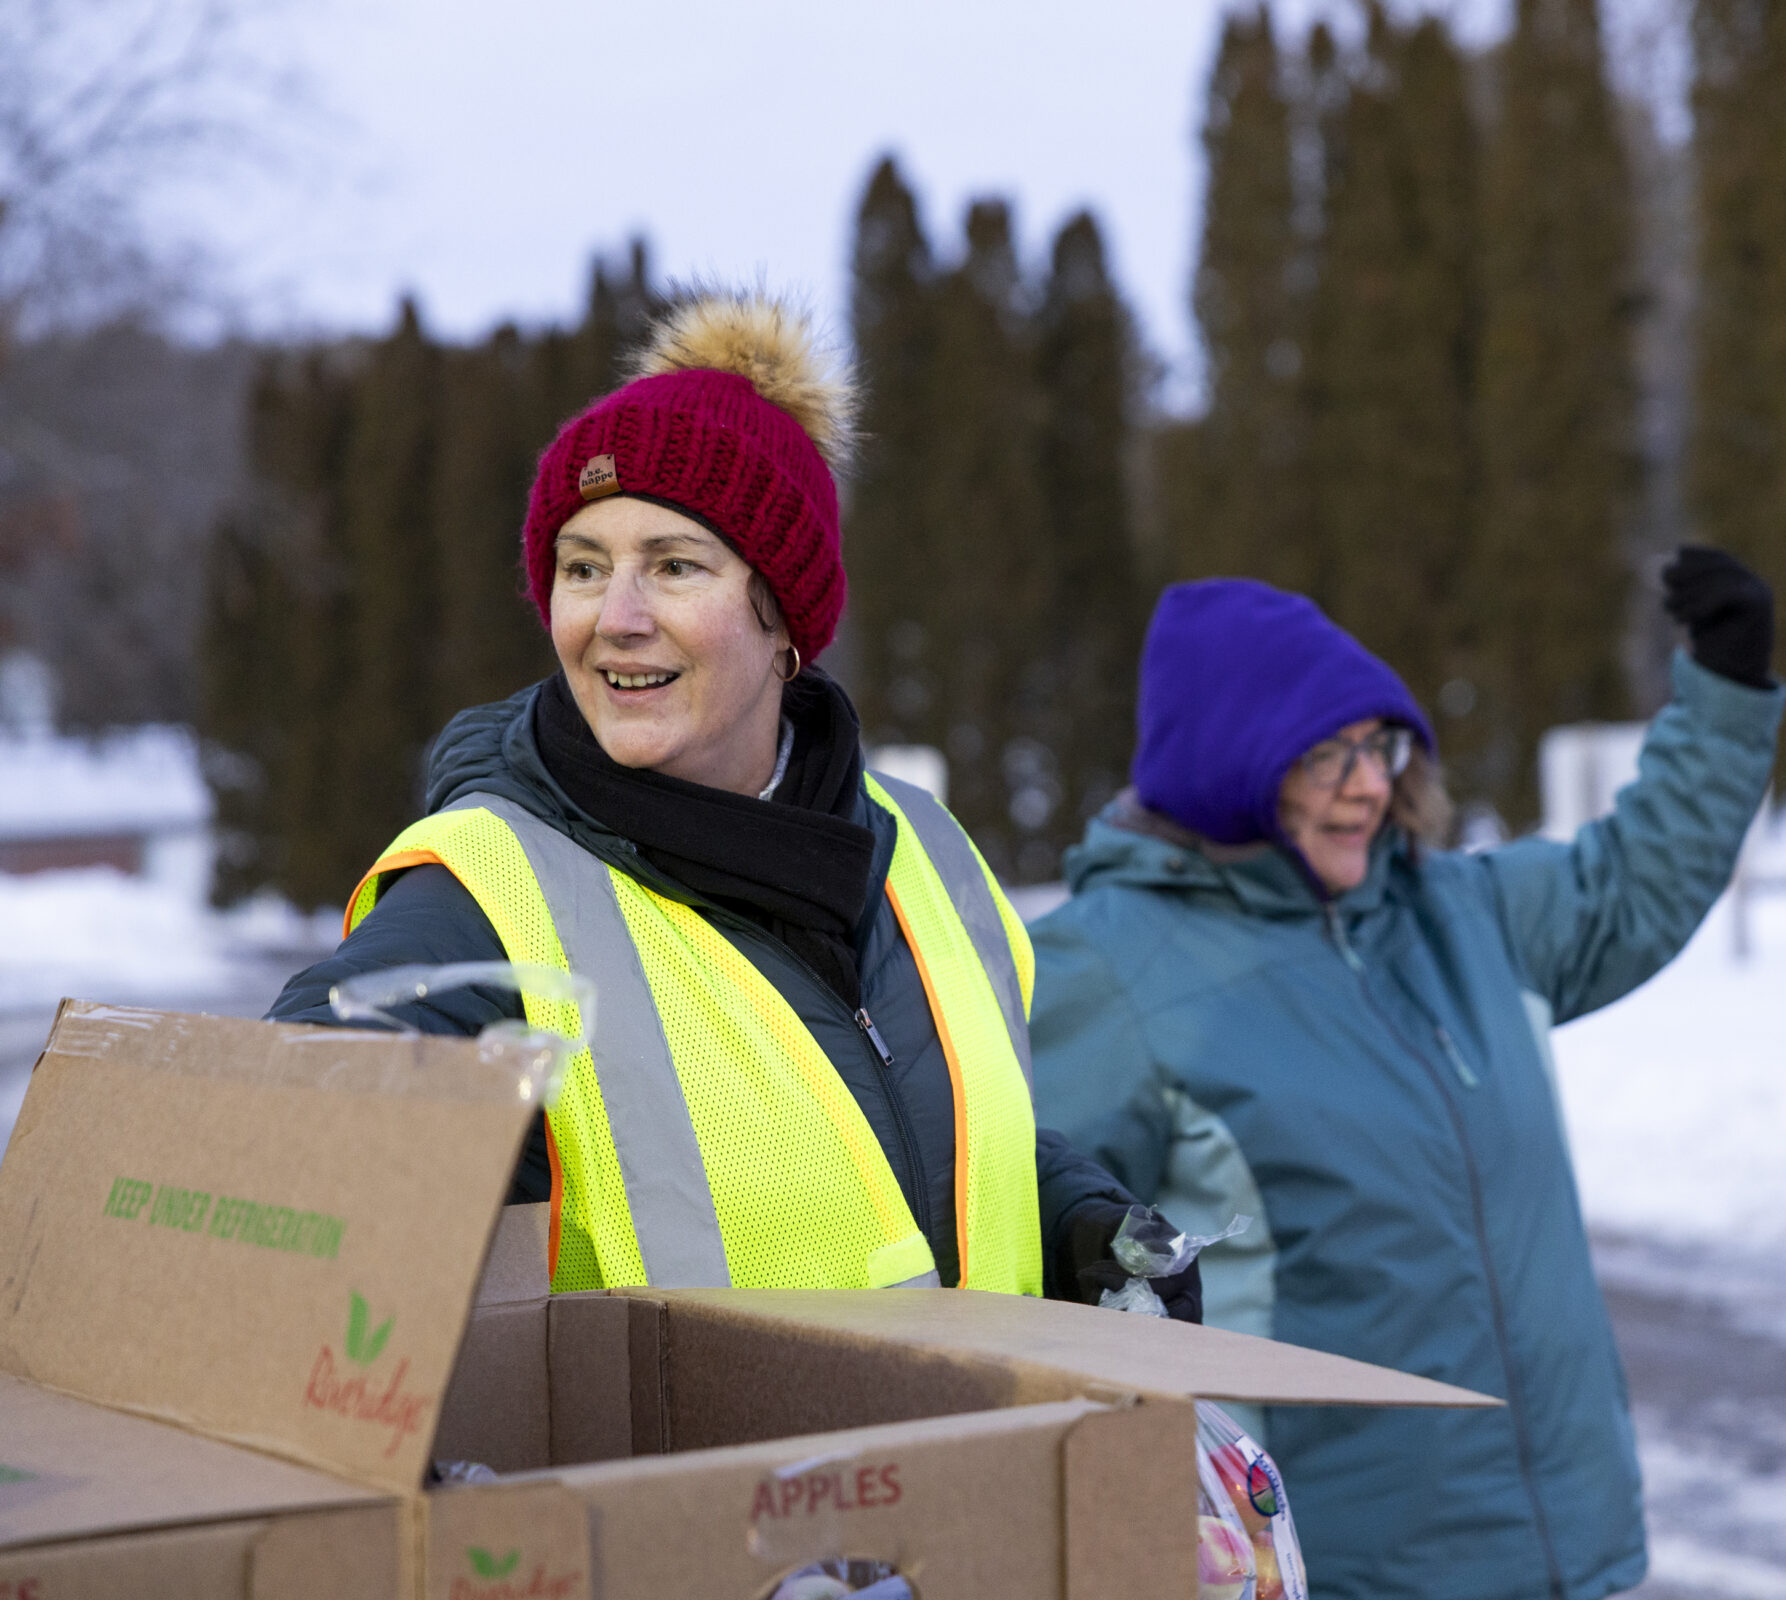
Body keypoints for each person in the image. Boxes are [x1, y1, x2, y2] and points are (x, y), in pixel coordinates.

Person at [269, 292, 1194, 1316]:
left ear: (782, 618)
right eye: (583, 569)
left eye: (674, 566)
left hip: (966, 1470)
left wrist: (1073, 1218)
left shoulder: (921, 846)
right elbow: (291, 1139)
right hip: (703, 1483)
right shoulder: (487, 893)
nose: (616, 618)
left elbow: (929, 1127)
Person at [1028, 556, 1785, 1598]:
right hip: (1350, 1568)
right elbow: (1029, 1270)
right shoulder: (1109, 971)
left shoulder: (1460, 914)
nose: (1372, 783)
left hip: (1570, 1546)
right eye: (1325, 755)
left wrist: (1727, 694)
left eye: (1380, 746)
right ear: (1225, 759)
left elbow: (1633, 880)